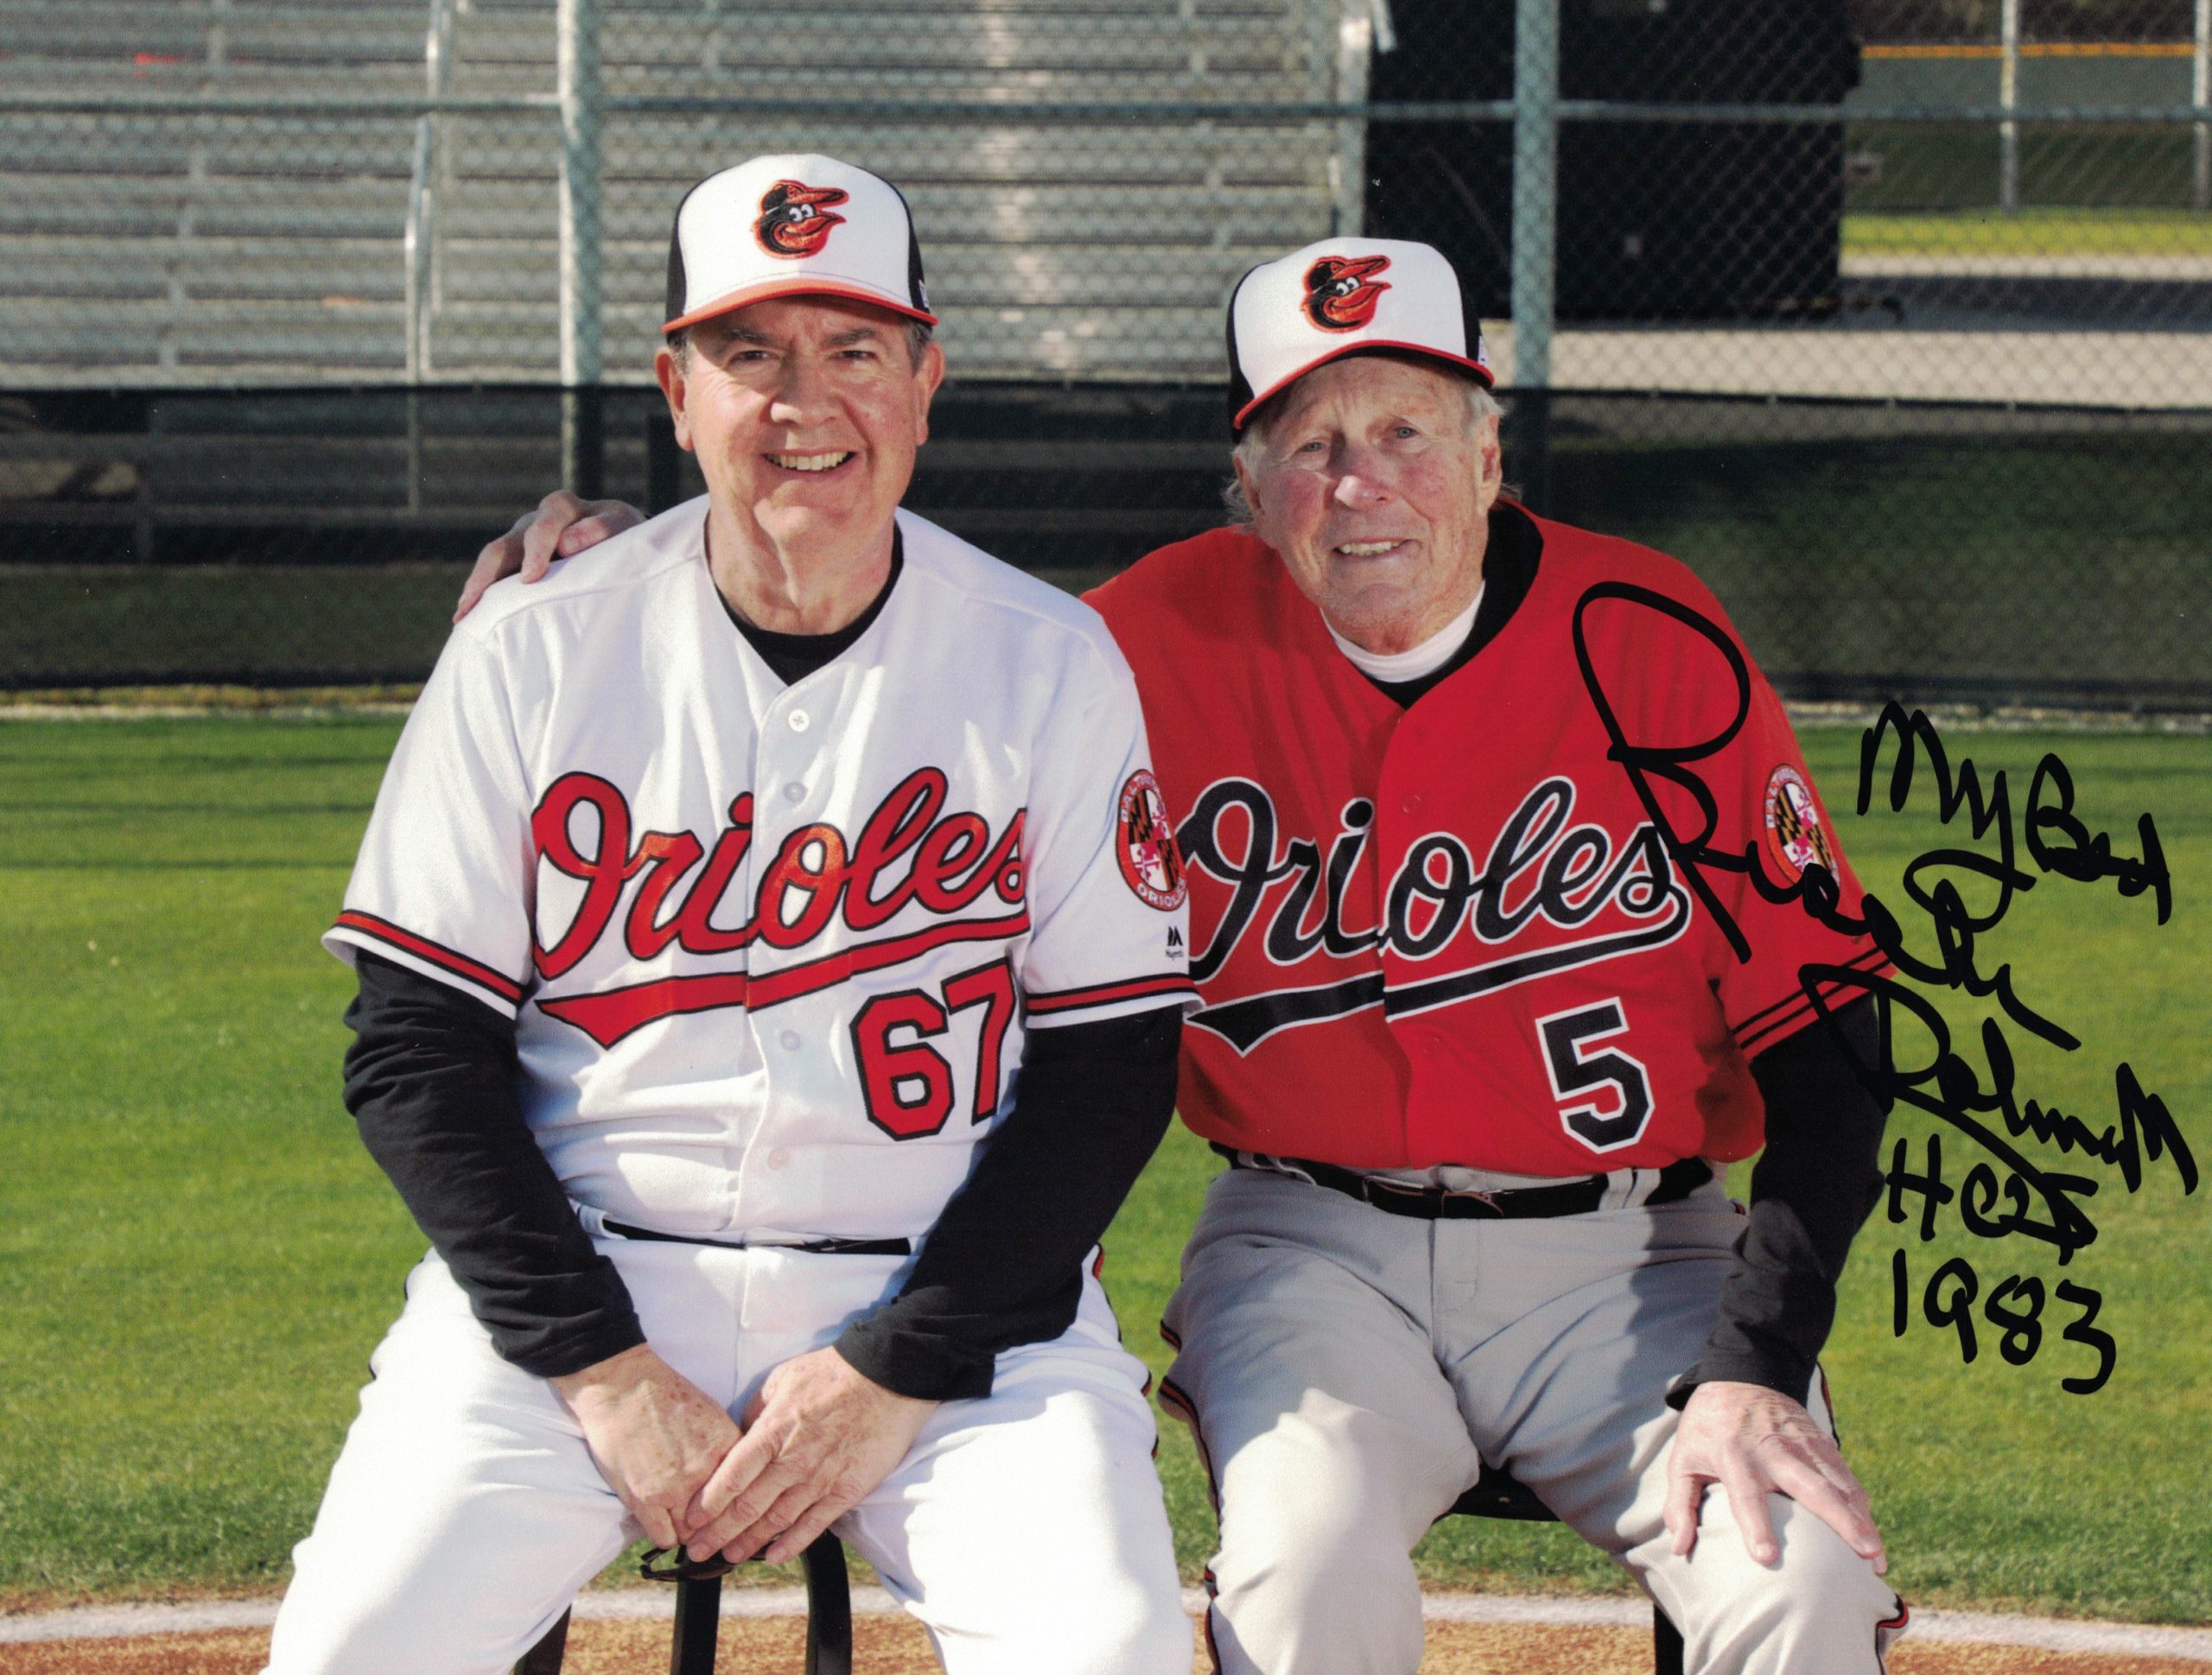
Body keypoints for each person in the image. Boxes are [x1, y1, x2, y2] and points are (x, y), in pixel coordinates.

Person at [474, 236, 1908, 1674]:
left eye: (1406, 429)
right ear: (1250, 484)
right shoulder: (1135, 642)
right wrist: (652, 561)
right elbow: (884, 637)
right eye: (1310, 442)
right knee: (1296, 1585)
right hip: (1309, 1252)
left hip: (1642, 1256)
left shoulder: (1645, 637)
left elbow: (1833, 1029)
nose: (1360, 485)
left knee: (1802, 1589)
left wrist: (1757, 1362)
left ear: (1488, 455)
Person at [270, 154, 1198, 1675]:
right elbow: (413, 1054)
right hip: (574, 1290)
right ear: (675, 386)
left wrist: (905, 1360)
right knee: (355, 1650)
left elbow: (1110, 1071)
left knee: (1104, 1649)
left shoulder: (1050, 660)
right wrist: (601, 1367)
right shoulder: (532, 648)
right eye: (747, 351)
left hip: (955, 1301)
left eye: (852, 350)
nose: (801, 400)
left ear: (926, 379)